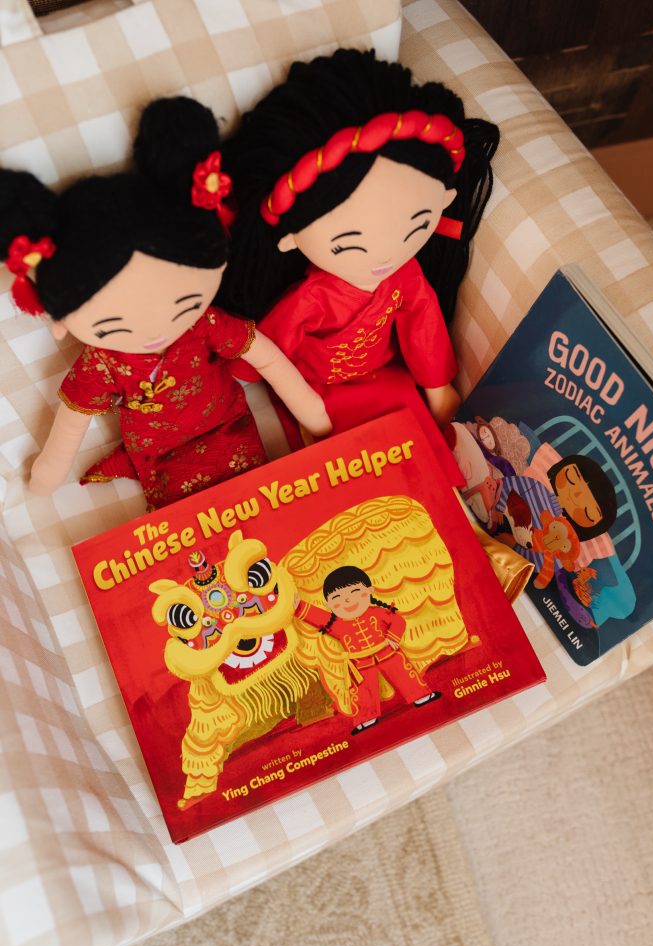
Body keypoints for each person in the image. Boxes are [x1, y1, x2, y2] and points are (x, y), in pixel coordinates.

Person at [0, 97, 330, 509]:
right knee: (184, 528)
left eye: (182, 303)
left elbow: (267, 359)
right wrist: (50, 471)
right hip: (158, 454)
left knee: (258, 498)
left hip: (228, 425)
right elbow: (71, 423)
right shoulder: (103, 362)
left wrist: (310, 412)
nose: (156, 326)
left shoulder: (205, 323)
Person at [218, 48, 499, 483]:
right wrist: (240, 370)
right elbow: (275, 341)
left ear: (445, 201)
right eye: (350, 245)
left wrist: (437, 386)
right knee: (350, 470)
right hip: (318, 389)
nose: (386, 256)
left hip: (388, 374)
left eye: (416, 228)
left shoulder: (404, 275)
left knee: (427, 458)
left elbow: (421, 321)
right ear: (290, 239)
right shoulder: (314, 296)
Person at [295, 565, 440, 734]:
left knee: (405, 674)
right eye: (337, 597)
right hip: (360, 662)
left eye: (355, 591)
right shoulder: (337, 624)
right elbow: (317, 616)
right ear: (329, 604)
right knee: (362, 691)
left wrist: (393, 637)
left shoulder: (378, 612)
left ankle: (421, 695)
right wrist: (297, 606)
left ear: (370, 590)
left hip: (387, 652)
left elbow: (398, 621)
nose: (347, 601)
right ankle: (365, 718)